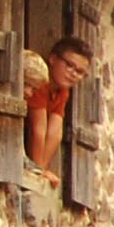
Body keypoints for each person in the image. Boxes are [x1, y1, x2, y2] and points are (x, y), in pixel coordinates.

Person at [19, 35, 88, 185]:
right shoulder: (39, 83)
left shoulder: (62, 92)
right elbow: (38, 130)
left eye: (80, 71)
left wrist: (42, 169)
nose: (73, 73)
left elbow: (55, 133)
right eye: (69, 65)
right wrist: (38, 172)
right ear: (52, 59)